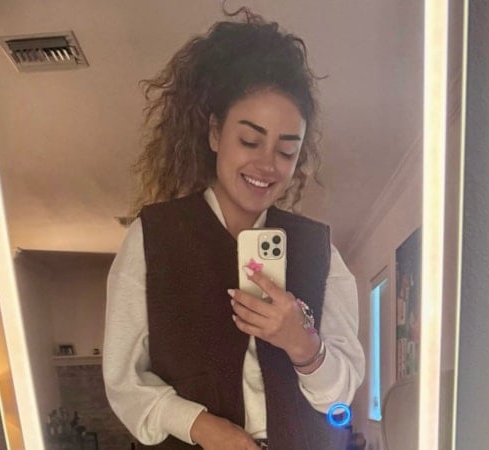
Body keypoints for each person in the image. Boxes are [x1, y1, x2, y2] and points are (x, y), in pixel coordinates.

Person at [103, 7, 365, 450]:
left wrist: (303, 346)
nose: (267, 164)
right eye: (250, 140)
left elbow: (338, 399)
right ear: (214, 133)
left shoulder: (321, 253)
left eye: (286, 150)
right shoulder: (154, 239)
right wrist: (204, 427)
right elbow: (124, 381)